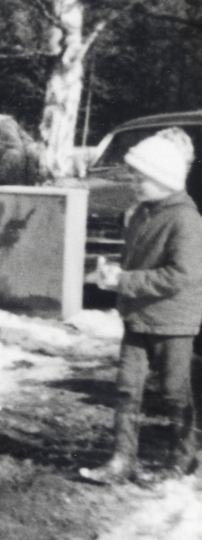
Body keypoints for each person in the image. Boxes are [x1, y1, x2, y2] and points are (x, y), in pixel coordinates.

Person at [80, 133, 202, 486]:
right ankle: (122, 458)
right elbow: (132, 263)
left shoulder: (186, 221)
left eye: (140, 177)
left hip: (173, 322)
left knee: (174, 391)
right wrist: (111, 277)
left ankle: (183, 457)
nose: (133, 182)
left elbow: (182, 276)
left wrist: (125, 282)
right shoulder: (140, 215)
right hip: (138, 317)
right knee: (126, 389)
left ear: (164, 178)